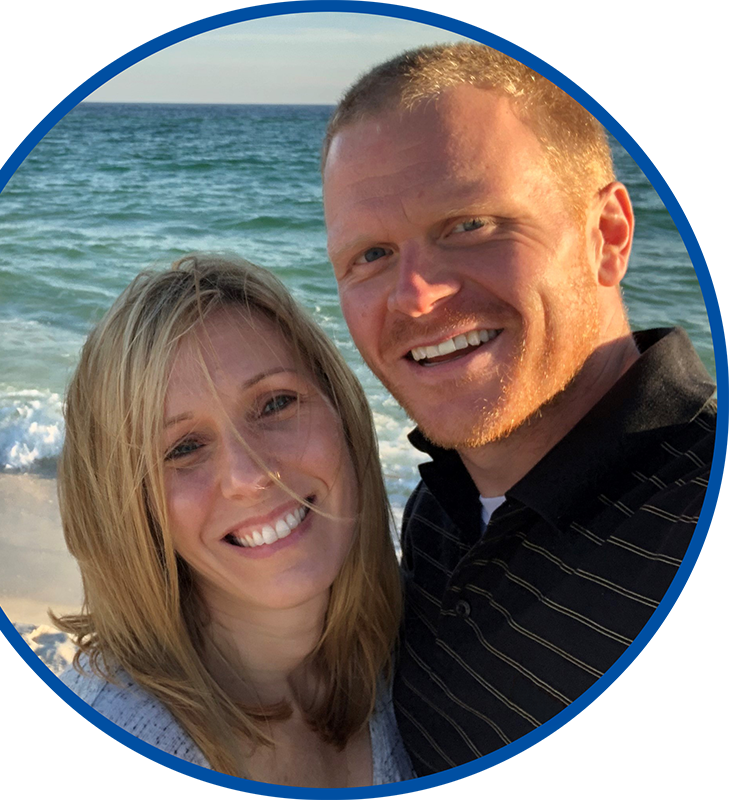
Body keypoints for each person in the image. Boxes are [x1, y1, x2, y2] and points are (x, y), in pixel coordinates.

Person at [321, 42, 717, 775]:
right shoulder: (439, 506)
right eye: (370, 256)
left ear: (609, 235)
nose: (412, 295)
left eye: (469, 224)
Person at [54, 253, 414, 786]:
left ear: (342, 410)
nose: (249, 474)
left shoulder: (415, 657)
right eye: (184, 447)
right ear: (132, 510)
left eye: (275, 404)